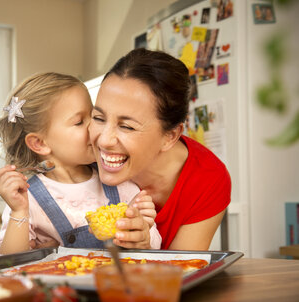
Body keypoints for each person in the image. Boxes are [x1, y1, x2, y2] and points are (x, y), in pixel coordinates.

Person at [0, 72, 160, 255]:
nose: (95, 127)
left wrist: (142, 230)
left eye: (95, 116)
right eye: (80, 122)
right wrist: (19, 212)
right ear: (39, 143)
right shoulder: (26, 198)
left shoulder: (118, 182)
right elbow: (9, 263)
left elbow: (153, 247)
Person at [89, 48, 231, 250]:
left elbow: (180, 273)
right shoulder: (78, 157)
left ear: (170, 136)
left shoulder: (208, 180)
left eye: (127, 126)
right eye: (98, 118)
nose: (103, 140)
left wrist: (142, 249)